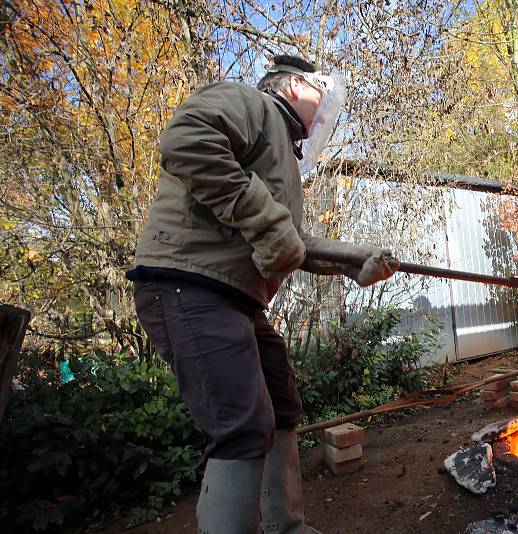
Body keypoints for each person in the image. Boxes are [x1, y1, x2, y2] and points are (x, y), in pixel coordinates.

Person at [126, 55, 399, 533]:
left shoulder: (283, 153)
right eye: (323, 95)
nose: (328, 112)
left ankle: (285, 527)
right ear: (294, 85)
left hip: (236, 298)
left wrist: (355, 260)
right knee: (242, 425)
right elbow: (187, 142)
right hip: (187, 283)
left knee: (282, 405)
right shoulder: (247, 101)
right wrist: (269, 222)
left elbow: (291, 242)